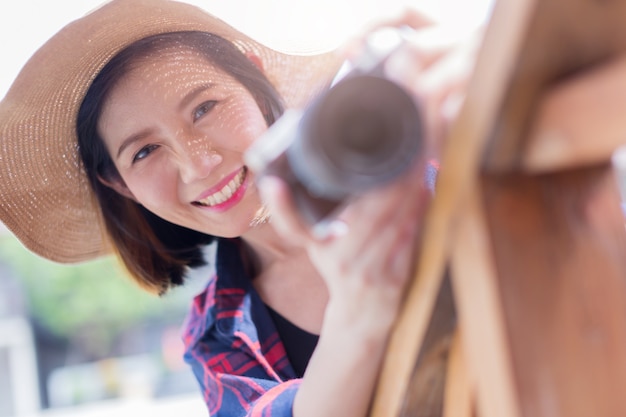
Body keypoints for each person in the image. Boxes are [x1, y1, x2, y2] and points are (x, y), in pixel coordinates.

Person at [0, 0, 475, 416]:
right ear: (120, 184)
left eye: (204, 107)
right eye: (144, 152)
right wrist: (359, 308)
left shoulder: (424, 155)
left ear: (254, 76)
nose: (198, 164)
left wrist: (490, 95)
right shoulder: (215, 337)